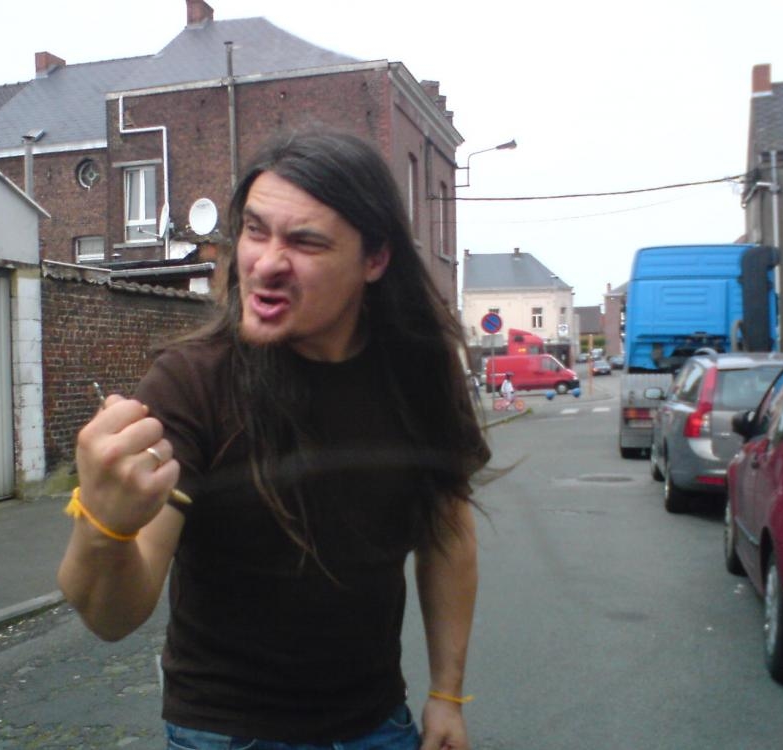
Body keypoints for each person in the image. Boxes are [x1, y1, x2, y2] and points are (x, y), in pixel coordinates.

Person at [58, 131, 491, 750]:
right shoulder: (191, 383)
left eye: (306, 242)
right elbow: (111, 616)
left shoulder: (420, 373)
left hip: (377, 724)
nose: (265, 263)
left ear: (374, 259)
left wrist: (447, 694)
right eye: (255, 231)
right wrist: (104, 526)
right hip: (226, 733)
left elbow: (447, 534)